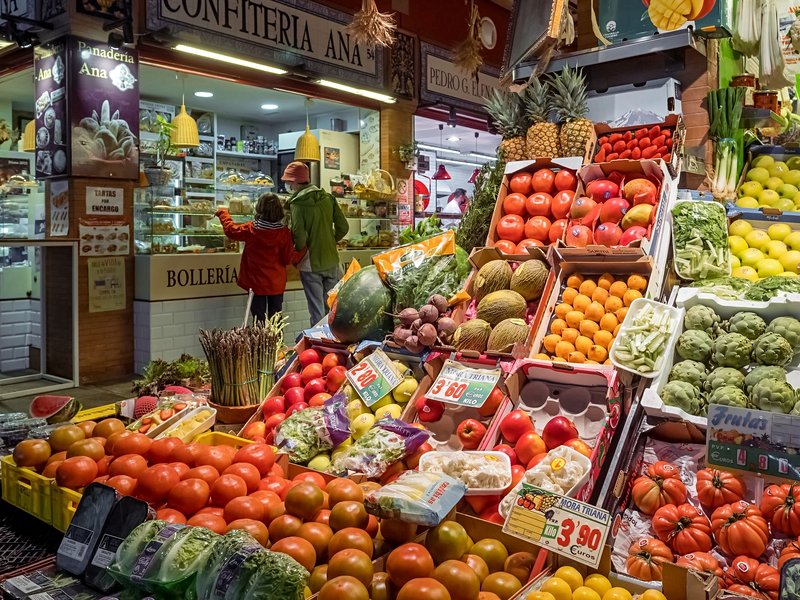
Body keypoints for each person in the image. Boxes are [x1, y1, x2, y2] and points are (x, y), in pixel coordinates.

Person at [216, 193, 305, 323]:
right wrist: (303, 250)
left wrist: (223, 213)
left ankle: (261, 344)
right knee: (276, 322)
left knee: (259, 321)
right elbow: (288, 259)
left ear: (259, 208)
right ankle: (276, 343)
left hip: (255, 284)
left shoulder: (251, 229)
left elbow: (231, 230)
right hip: (276, 284)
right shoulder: (284, 232)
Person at [282, 161, 349, 326]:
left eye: (289, 181)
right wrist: (328, 241)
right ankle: (335, 343)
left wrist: (298, 250)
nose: (287, 185)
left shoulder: (297, 204)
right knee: (333, 307)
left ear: (295, 181)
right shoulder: (328, 197)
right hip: (332, 261)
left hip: (310, 264)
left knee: (316, 310)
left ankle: (318, 346)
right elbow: (343, 227)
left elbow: (299, 235)